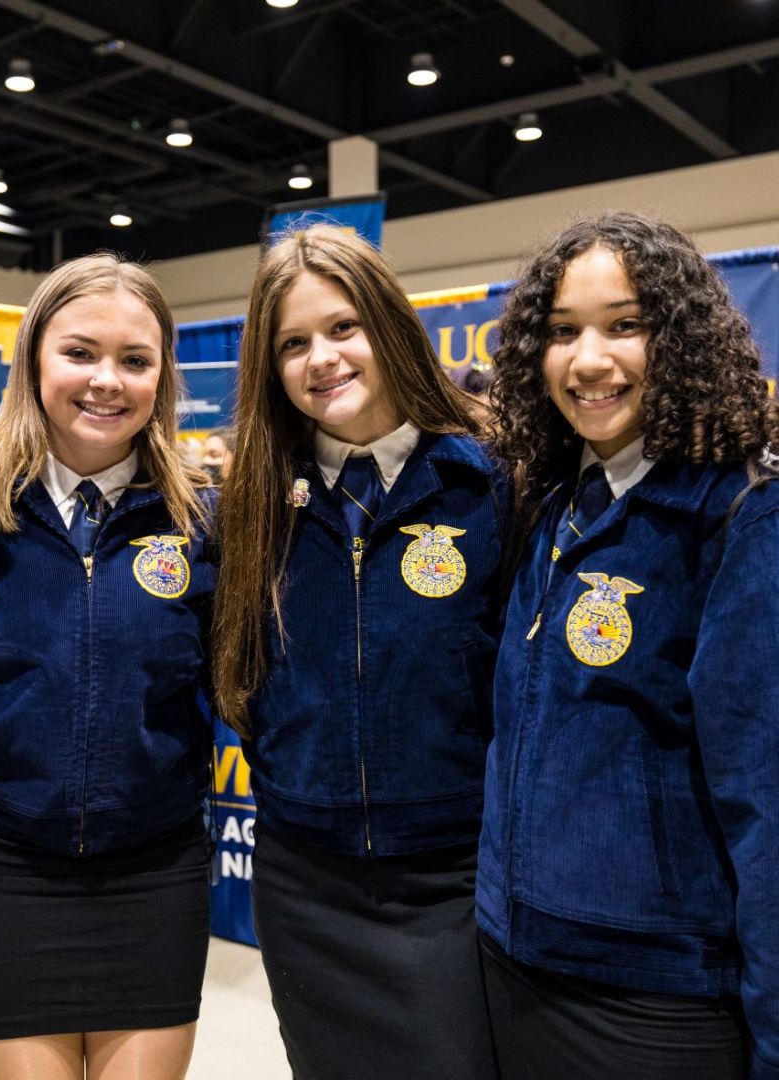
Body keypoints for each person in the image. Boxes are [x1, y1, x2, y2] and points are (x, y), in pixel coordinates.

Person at [478, 211, 779, 1080]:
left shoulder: (738, 516)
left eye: (625, 325)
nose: (589, 360)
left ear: (679, 339)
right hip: (514, 965)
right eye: (564, 332)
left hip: (655, 1000)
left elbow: (765, 805)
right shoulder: (556, 506)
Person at [212, 225, 508, 1079]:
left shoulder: (488, 482)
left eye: (343, 328)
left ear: (388, 325)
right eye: (293, 343)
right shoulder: (253, 503)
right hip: (305, 882)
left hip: (451, 877)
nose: (322, 359)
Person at [0, 254, 216, 1080]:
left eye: (135, 361)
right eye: (80, 353)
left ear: (162, 377)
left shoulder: (204, 518)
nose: (107, 381)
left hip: (157, 872)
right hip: (6, 870)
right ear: (32, 361)